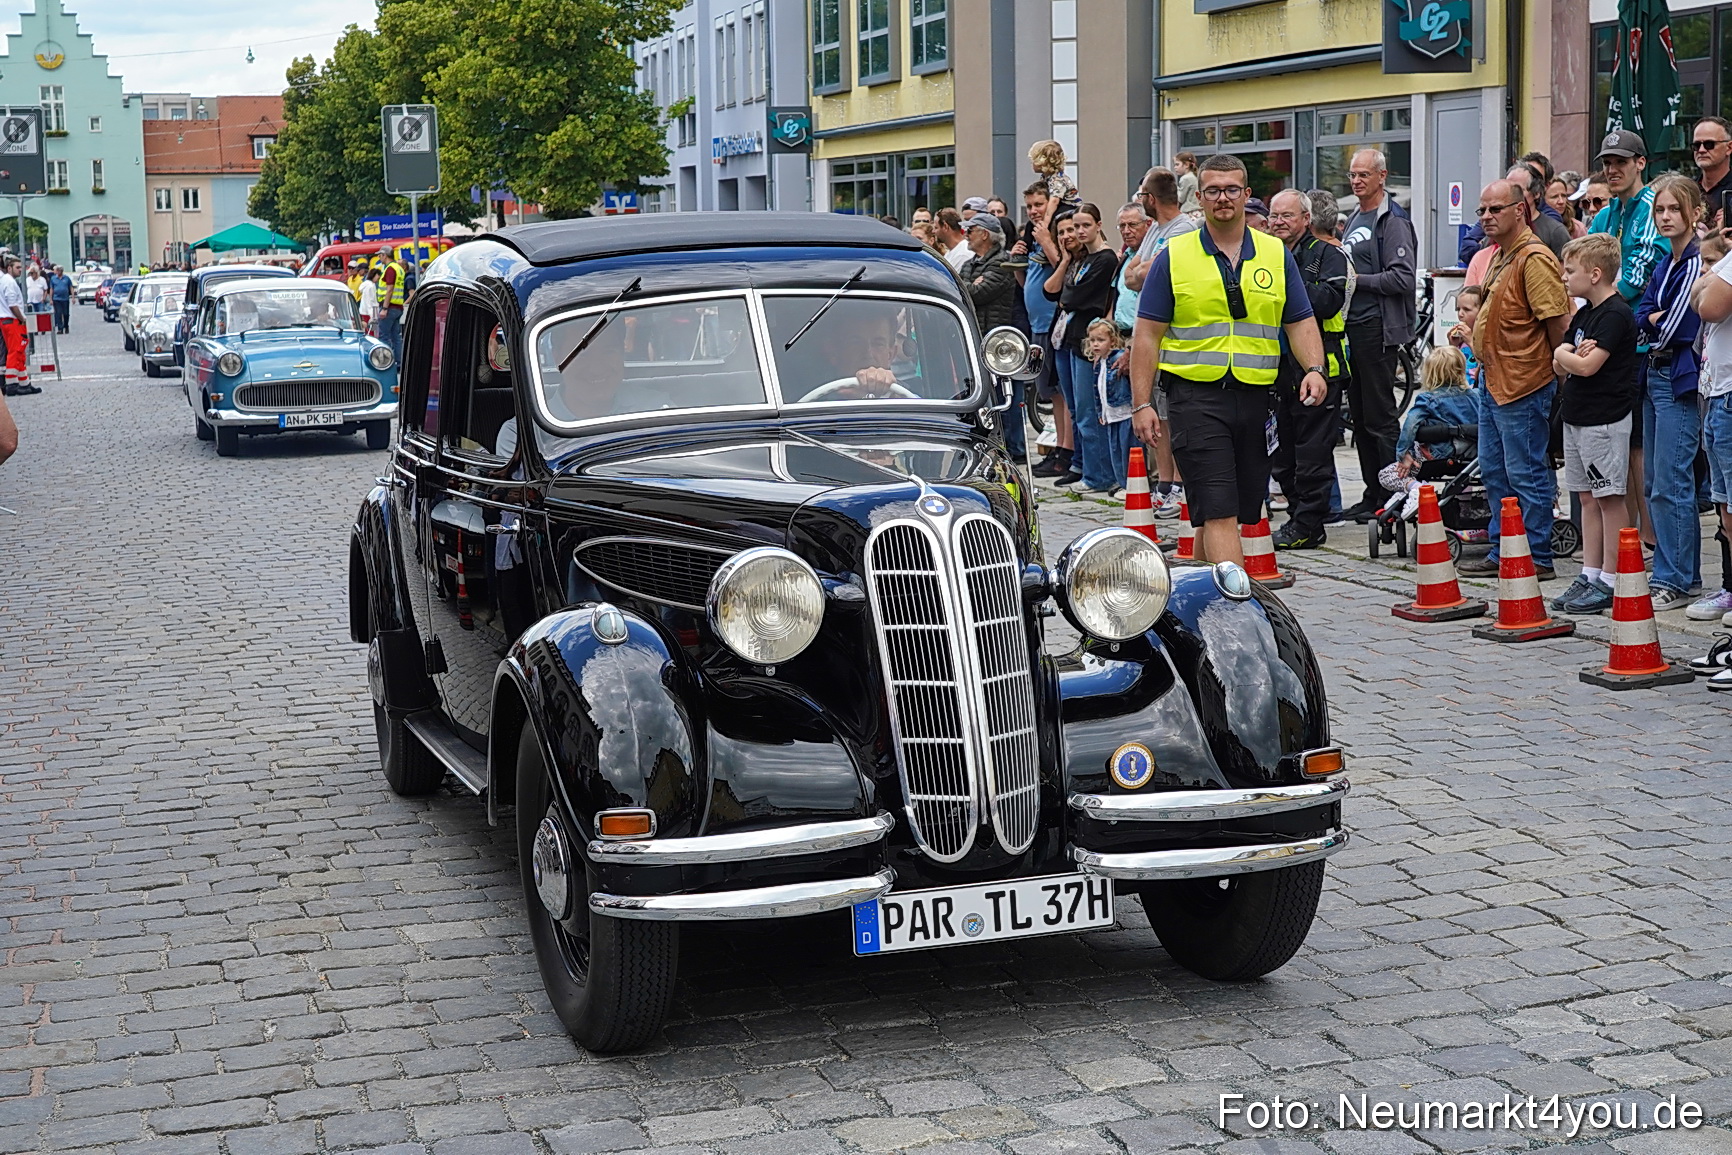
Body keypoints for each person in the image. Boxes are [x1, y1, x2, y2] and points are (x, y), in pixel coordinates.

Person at [1130, 154, 1330, 567]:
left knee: (1228, 510)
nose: (1224, 198)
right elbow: (1146, 336)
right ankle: (1236, 617)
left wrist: (1314, 368)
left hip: (1257, 399)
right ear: (1199, 198)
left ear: (1247, 195)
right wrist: (1142, 403)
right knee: (1219, 509)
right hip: (1195, 398)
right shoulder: (1174, 255)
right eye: (1214, 190)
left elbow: (1300, 321)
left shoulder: (1276, 254)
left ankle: (1195, 596)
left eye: (1232, 189)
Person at [1456, 179, 1570, 581]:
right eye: (1481, 211)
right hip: (1494, 379)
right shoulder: (1504, 255)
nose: (1486, 217)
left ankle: (1536, 555)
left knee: (1526, 472)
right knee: (1494, 470)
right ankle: (1505, 548)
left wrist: (1558, 374)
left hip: (1523, 382)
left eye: (1495, 210)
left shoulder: (1533, 258)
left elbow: (1558, 322)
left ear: (1519, 210)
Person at [1546, 234, 1642, 614]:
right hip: (1577, 414)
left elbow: (1586, 365)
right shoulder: (1584, 314)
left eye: (1570, 271)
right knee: (1585, 497)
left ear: (1596, 273)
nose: (1565, 278)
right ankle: (1590, 571)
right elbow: (1562, 364)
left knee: (1608, 497)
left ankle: (1613, 578)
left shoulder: (1615, 314)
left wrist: (1563, 353)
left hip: (1605, 417)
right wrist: (1565, 353)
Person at [1633, 173, 1706, 610]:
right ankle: (1675, 572)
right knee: (1656, 480)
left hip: (1677, 380)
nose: (1665, 217)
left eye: (1674, 209)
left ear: (1695, 213)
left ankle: (1677, 578)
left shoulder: (1696, 261)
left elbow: (1676, 327)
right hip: (1654, 375)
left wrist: (1654, 323)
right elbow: (1644, 311)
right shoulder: (1666, 263)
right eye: (1660, 210)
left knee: (1673, 481)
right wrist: (1653, 320)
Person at [1265, 188, 1347, 549]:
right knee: (1280, 454)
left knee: (1312, 453)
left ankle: (1310, 524)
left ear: (1306, 220)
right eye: (1274, 216)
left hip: (1319, 367)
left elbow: (1329, 301)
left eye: (1287, 216)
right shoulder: (1264, 256)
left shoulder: (1327, 255)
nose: (1279, 223)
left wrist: (1283, 287)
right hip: (1275, 370)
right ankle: (1297, 516)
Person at [1340, 148, 1419, 520]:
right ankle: (1373, 493)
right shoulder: (1356, 215)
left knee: (1379, 417)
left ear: (1381, 176)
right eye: (1352, 175)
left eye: (1363, 175)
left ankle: (1392, 495)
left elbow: (1402, 277)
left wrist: (1355, 282)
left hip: (1377, 328)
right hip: (1352, 328)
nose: (1356, 181)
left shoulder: (1392, 220)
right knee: (1359, 416)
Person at [1122, 167, 1199, 517]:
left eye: (1141, 196)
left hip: (1173, 336)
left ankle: (1177, 485)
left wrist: (1140, 272)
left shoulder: (1182, 229)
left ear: (1151, 200)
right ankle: (1165, 483)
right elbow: (1131, 274)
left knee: (1170, 412)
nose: (1141, 202)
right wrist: (1139, 271)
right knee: (1157, 411)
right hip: (1149, 332)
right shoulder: (1155, 229)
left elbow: (1147, 274)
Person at [1044, 205, 1121, 492]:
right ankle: (1087, 468)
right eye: (1075, 227)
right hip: (1073, 339)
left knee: (1090, 411)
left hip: (1090, 340)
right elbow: (1059, 294)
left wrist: (1069, 298)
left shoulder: (1104, 258)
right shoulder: (1082, 259)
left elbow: (1076, 296)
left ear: (1098, 225)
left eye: (1084, 225)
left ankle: (1098, 475)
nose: (1078, 232)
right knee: (1078, 410)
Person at [1378, 346, 1479, 519]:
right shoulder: (1475, 396)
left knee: (1386, 475)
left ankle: (1416, 489)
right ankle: (1411, 490)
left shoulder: (1429, 399)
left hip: (1436, 456)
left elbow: (1411, 425)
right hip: (1472, 457)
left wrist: (1403, 453)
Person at [1017, 182, 1072, 480]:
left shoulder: (1052, 236)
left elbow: (1062, 269)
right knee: (1050, 392)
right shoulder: (1033, 236)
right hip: (1036, 322)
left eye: (1039, 204)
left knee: (1061, 391)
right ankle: (1057, 448)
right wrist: (1017, 261)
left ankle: (1066, 451)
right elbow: (1028, 281)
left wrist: (1048, 239)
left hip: (1053, 321)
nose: (1034, 211)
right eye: (1029, 207)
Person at [1691, 228, 1732, 624]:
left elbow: (1708, 307)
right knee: (1724, 510)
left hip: (1729, 394)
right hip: (1715, 393)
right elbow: (1696, 297)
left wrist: (1714, 271)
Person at [960, 214, 1021, 456]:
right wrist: (970, 283)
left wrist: (970, 284)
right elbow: (963, 287)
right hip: (979, 339)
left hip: (997, 343)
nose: (967, 234)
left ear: (985, 234)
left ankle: (1014, 448)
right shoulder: (971, 263)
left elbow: (976, 293)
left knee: (1005, 396)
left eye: (971, 230)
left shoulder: (1002, 263)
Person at [1589, 130, 1666, 305]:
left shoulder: (1655, 207)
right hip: (1608, 317)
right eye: (1607, 163)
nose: (1612, 170)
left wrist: (1600, 290)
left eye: (1621, 162)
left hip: (1641, 322)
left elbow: (1632, 283)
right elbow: (1583, 268)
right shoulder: (1603, 215)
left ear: (1640, 163)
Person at [1085, 318, 1133, 488]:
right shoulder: (1099, 363)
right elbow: (1098, 390)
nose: (1096, 345)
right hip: (1110, 414)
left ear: (1112, 341)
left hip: (1125, 411)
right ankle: (1122, 483)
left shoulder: (1118, 358)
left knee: (1128, 451)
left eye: (1100, 340)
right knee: (1116, 451)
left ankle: (1131, 485)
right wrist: (1101, 412)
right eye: (1092, 341)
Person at [1508, 166, 1571, 257]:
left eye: (1519, 190)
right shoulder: (1500, 228)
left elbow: (1565, 268)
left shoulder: (1555, 231)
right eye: (1508, 190)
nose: (1510, 196)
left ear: (1536, 193)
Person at [1111, 201, 1152, 334]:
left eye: (1132, 225)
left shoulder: (1151, 256)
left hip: (1142, 333)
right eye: (1122, 226)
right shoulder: (1124, 257)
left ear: (1148, 224)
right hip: (1119, 334)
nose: (1126, 231)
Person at [0, 256, 31, 397]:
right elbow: (12, 304)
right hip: (12, 321)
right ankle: (12, 384)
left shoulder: (6, 281)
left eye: (21, 267)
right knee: (15, 351)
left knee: (18, 351)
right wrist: (22, 318)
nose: (20, 270)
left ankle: (25, 384)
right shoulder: (9, 282)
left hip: (7, 320)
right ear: (9, 268)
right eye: (17, 267)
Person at [1028, 140, 1081, 222]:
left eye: (1033, 160)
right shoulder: (1046, 178)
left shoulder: (1057, 180)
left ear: (1043, 162)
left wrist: (1046, 222)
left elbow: (1054, 201)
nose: (1032, 164)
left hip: (1070, 208)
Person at [1446, 283, 1486, 391]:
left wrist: (1471, 342)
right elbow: (1452, 368)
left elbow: (1487, 364)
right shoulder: (1461, 338)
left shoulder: (1486, 336)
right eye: (1458, 309)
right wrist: (1453, 347)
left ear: (1482, 312)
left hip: (1478, 390)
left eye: (1466, 310)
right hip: (1461, 389)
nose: (1460, 314)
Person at [1696, 116, 1732, 230]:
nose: (1701, 150)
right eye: (1696, 145)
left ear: (1729, 147)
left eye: (1709, 144)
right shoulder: (1688, 191)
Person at [375, 245, 408, 362]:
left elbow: (390, 289)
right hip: (398, 307)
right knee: (396, 338)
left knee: (384, 337)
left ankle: (384, 362)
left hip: (389, 308)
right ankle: (399, 363)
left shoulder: (390, 269)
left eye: (380, 255)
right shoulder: (399, 268)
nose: (379, 258)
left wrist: (384, 308)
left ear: (385, 255)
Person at [1174, 152, 1201, 216]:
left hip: (1189, 212)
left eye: (1177, 164)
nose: (1175, 167)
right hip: (1198, 211)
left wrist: (1175, 188)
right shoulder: (1196, 176)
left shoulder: (1185, 178)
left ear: (1186, 165)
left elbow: (1181, 198)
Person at [47, 264, 71, 334]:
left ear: (62, 271)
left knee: (66, 314)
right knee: (58, 313)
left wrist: (72, 297)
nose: (58, 272)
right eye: (57, 270)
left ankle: (66, 326)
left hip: (65, 298)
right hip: (56, 299)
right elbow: (51, 289)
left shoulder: (66, 278)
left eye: (60, 270)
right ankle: (60, 328)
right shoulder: (53, 278)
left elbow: (70, 287)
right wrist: (51, 299)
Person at [358, 266, 382, 336]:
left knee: (366, 331)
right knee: (372, 333)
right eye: (378, 276)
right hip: (371, 312)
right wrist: (373, 316)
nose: (378, 278)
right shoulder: (371, 286)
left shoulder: (366, 285)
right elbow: (371, 301)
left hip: (364, 311)